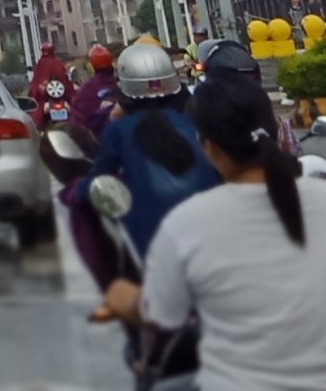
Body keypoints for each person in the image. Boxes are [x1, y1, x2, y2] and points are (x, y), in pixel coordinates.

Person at [104, 72, 326, 391]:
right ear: (277, 132)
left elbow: (161, 315)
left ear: (206, 145)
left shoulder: (188, 223)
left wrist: (122, 296)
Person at [81, 42, 221, 280]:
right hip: (212, 240)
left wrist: (74, 192)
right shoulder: (195, 122)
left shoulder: (120, 130)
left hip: (154, 249)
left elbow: (94, 185)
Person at [68, 42, 121, 140]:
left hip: (95, 141)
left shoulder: (86, 90)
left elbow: (77, 122)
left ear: (91, 66)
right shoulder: (121, 84)